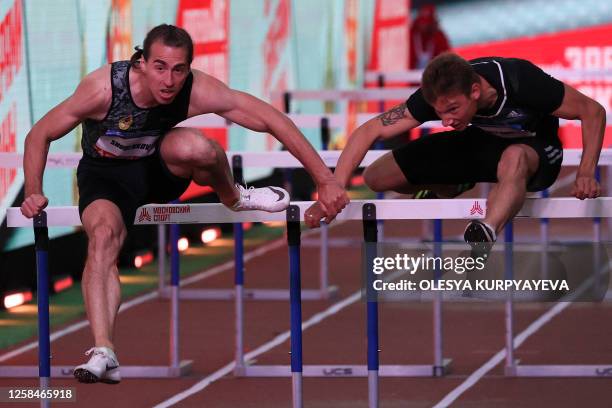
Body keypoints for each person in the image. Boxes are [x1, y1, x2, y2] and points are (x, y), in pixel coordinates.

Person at [20, 24, 349, 384]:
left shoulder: (194, 88)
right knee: (101, 239)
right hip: (106, 178)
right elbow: (40, 134)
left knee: (196, 146)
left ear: (188, 69)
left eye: (179, 70)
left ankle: (235, 197)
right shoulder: (102, 89)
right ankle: (104, 350)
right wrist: (34, 189)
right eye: (160, 67)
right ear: (141, 62)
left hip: (160, 170)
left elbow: (270, 119)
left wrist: (325, 179)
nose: (169, 80)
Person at [305, 52, 605, 255]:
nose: (446, 120)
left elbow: (592, 111)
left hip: (536, 150)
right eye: (439, 112)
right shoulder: (438, 94)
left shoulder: (519, 80)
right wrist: (334, 187)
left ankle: (484, 231)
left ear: (475, 91)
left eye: (452, 110)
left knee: (513, 157)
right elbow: (368, 131)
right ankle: (449, 185)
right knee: (377, 176)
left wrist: (586, 173)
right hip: (481, 143)